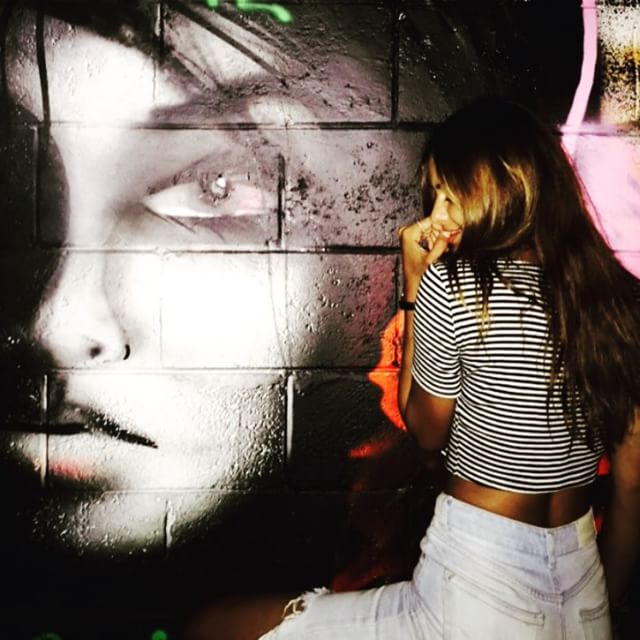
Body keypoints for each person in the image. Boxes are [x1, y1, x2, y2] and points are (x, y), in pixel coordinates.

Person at [250, 98, 640, 640]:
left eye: (452, 196)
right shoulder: (617, 302)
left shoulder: (455, 284)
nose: (435, 218)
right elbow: (632, 485)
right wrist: (605, 611)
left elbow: (427, 430)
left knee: (217, 624)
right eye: (434, 196)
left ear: (505, 190)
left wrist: (415, 288)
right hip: (584, 593)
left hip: (480, 582)